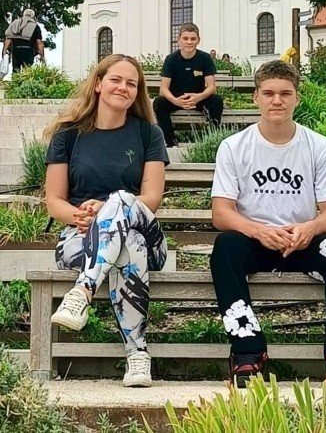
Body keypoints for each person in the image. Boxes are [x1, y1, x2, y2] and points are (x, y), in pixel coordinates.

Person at [210, 59, 326, 390]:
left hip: (302, 242)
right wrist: (259, 231)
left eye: (285, 93)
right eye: (269, 93)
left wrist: (309, 229)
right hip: (254, 242)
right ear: (256, 97)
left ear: (297, 98)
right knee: (225, 246)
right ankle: (248, 353)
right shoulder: (234, 147)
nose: (277, 101)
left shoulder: (320, 146)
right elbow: (221, 213)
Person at [44, 53, 169, 388]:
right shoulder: (68, 135)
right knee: (129, 246)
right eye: (116, 80)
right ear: (98, 84)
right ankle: (137, 354)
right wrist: (80, 215)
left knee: (122, 201)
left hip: (145, 231)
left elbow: (151, 199)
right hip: (83, 236)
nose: (123, 87)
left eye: (131, 83)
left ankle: (82, 291)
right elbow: (54, 201)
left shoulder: (148, 134)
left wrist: (107, 209)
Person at [152, 23, 225, 148]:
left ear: (198, 40)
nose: (189, 42)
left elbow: (211, 87)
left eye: (193, 39)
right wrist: (176, 101)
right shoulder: (171, 59)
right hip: (176, 99)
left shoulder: (205, 58)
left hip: (198, 99)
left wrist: (199, 97)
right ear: (179, 39)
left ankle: (210, 141)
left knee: (216, 101)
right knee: (159, 103)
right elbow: (163, 89)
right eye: (185, 38)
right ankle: (171, 142)